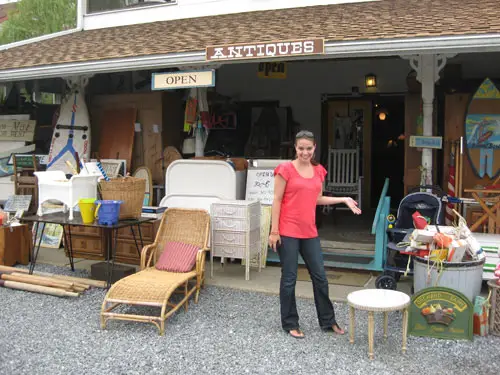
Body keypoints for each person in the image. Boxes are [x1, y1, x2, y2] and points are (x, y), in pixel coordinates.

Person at [269, 130, 362, 339]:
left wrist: (343, 199)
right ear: (295, 148)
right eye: (301, 148)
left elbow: (317, 199)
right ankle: (290, 322)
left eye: (308, 148)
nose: (304, 152)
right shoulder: (285, 169)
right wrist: (274, 231)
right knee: (289, 278)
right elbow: (276, 199)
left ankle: (328, 321)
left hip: (309, 231)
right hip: (287, 230)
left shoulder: (319, 170)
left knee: (320, 277)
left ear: (314, 148)